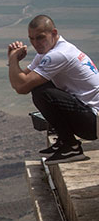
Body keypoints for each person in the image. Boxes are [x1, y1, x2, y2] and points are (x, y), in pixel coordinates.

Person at [8, 14, 99, 164]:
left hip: (93, 123)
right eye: (31, 39)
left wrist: (13, 60)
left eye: (40, 37)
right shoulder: (48, 51)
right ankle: (65, 141)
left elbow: (22, 87)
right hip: (88, 116)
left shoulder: (58, 54)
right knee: (39, 85)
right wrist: (13, 61)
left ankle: (71, 147)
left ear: (54, 33)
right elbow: (20, 80)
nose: (36, 43)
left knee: (41, 92)